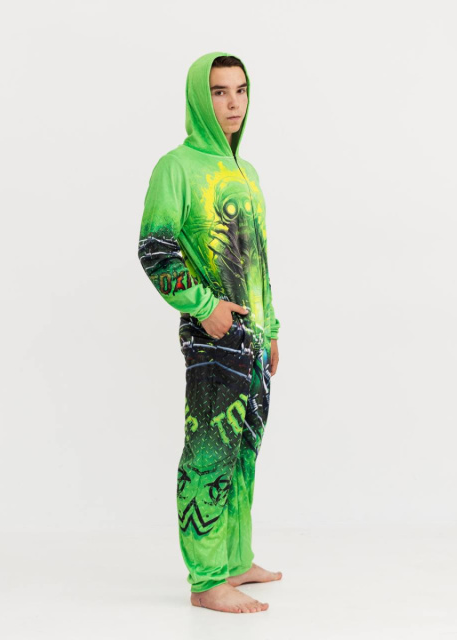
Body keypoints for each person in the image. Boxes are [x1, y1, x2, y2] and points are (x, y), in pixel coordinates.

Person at [137, 51, 282, 614]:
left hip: (254, 340)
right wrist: (203, 307)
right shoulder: (176, 167)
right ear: (201, 98)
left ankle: (235, 559)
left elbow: (257, 260)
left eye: (240, 91)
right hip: (213, 339)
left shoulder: (248, 172)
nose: (232, 103)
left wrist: (272, 327)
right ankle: (205, 579)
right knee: (209, 452)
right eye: (219, 92)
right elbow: (155, 250)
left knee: (244, 450)